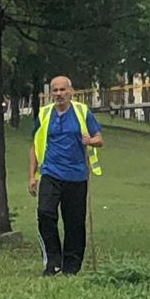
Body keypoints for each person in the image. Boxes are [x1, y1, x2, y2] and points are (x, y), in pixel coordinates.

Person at [29, 76, 103, 276]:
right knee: (45, 213)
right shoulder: (44, 114)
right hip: (50, 173)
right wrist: (32, 176)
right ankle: (53, 261)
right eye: (55, 90)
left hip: (76, 175)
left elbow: (99, 139)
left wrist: (91, 140)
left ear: (71, 91)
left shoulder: (81, 112)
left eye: (63, 90)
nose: (59, 94)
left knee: (74, 222)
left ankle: (72, 265)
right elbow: (35, 145)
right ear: (51, 93)